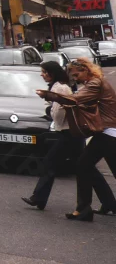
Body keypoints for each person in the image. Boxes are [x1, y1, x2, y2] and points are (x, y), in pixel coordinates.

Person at [39, 57, 116, 221]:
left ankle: (84, 209)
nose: (75, 78)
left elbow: (74, 99)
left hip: (108, 133)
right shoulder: (95, 83)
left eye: (76, 75)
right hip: (107, 133)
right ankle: (101, 205)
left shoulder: (95, 83)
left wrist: (48, 95)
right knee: (84, 165)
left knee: (83, 165)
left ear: (85, 70)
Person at [23, 61, 85, 210]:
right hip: (72, 133)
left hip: (68, 133)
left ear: (53, 73)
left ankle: (38, 198)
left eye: (45, 72)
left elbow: (58, 114)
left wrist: (50, 110)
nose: (42, 74)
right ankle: (108, 202)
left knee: (49, 163)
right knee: (85, 168)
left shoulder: (60, 87)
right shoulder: (58, 86)